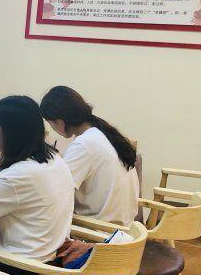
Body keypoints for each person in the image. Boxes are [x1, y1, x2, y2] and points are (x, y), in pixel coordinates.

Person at [0, 96, 74, 264]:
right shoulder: (52, 157)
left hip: (22, 267)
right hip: (48, 253)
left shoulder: (18, 176)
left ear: (11, 132)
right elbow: (18, 187)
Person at [40, 86, 139, 227]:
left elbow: (59, 194)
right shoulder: (103, 133)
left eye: (51, 124)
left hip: (100, 232)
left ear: (60, 122)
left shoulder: (83, 144)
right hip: (126, 229)